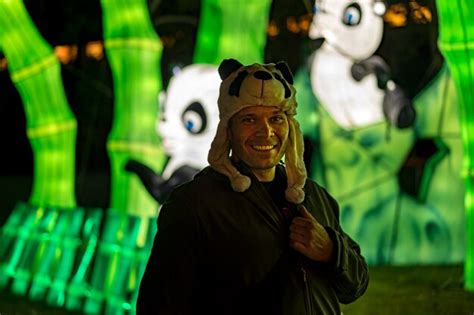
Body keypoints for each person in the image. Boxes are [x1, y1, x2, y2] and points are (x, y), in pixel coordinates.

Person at [136, 58, 369, 314]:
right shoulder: (195, 205)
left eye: (276, 118)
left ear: (290, 125)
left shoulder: (314, 196)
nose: (266, 132)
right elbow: (158, 305)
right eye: (249, 119)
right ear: (228, 128)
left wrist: (331, 251)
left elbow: (355, 286)